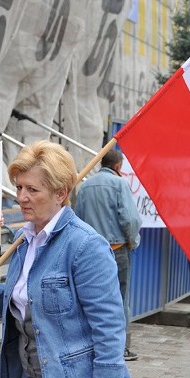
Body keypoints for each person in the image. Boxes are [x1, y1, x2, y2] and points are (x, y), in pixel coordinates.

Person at [0, 141, 133, 378]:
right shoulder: (23, 239)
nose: (22, 198)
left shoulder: (85, 246)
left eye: (32, 190)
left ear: (61, 193)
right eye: (19, 187)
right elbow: (31, 299)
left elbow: (109, 327)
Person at [74, 149, 142, 361]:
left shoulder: (85, 186)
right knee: (119, 300)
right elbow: (130, 219)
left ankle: (92, 346)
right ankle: (120, 348)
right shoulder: (120, 184)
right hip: (116, 249)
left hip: (91, 252)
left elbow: (78, 219)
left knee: (91, 299)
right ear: (118, 166)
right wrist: (133, 241)